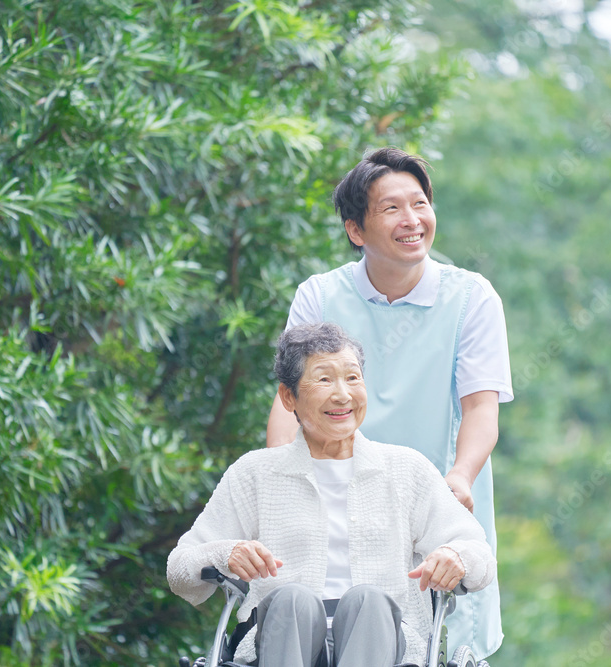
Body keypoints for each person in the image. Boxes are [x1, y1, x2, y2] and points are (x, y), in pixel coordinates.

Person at [266, 148, 513, 659]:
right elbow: (289, 402)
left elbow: (481, 408)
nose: (412, 220)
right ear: (357, 230)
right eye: (392, 209)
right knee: (321, 631)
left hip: (435, 504)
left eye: (420, 203)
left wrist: (461, 477)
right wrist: (277, 479)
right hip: (334, 494)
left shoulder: (471, 298)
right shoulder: (319, 296)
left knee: (436, 641)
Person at [168, 323, 496, 667]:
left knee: (368, 601)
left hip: (387, 643)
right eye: (324, 379)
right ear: (288, 396)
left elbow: (479, 555)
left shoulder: (407, 470)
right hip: (279, 641)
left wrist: (456, 557)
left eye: (352, 378)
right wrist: (226, 553)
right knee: (292, 600)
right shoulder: (255, 473)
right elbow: (180, 569)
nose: (342, 395)